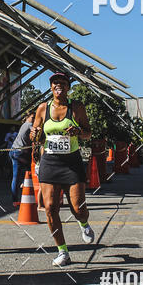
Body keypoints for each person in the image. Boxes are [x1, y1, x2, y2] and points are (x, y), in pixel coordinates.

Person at [30, 72, 95, 267]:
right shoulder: (43, 108)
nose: (58, 85)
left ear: (68, 87)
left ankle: (83, 223)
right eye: (55, 83)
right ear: (51, 87)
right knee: (50, 207)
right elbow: (36, 137)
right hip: (50, 162)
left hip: (71, 163)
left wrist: (78, 132)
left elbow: (88, 134)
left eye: (63, 83)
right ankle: (63, 252)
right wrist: (35, 134)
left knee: (78, 208)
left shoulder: (76, 108)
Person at [9, 113, 34, 207]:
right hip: (18, 152)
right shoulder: (29, 124)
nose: (34, 119)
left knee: (21, 172)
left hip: (14, 151)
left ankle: (23, 184)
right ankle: (16, 199)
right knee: (26, 170)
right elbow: (35, 132)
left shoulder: (24, 125)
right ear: (27, 118)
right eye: (32, 117)